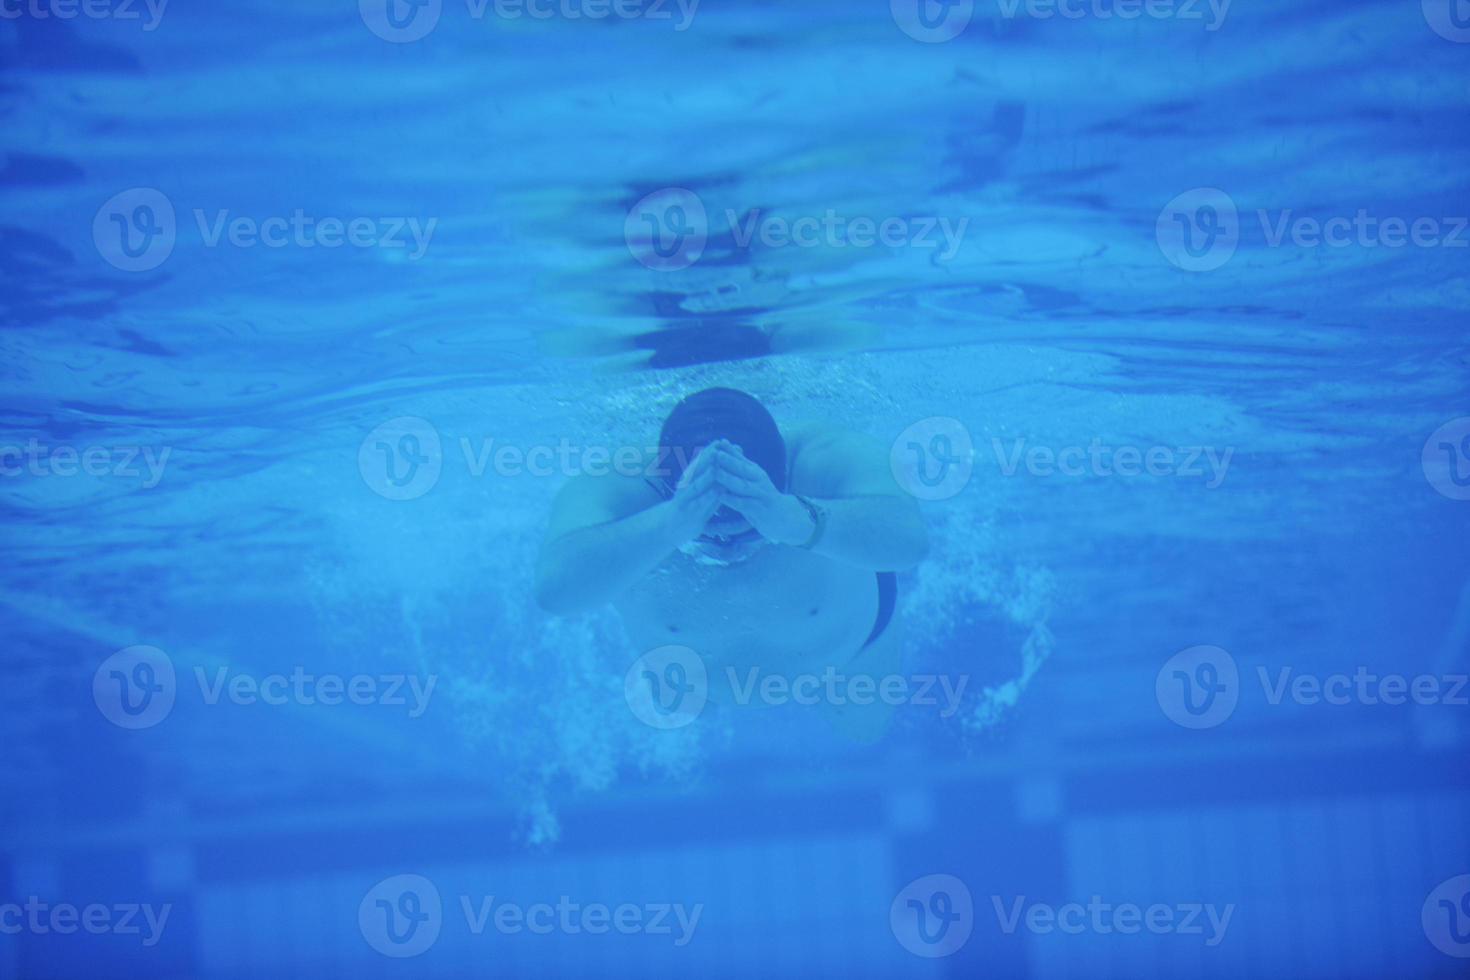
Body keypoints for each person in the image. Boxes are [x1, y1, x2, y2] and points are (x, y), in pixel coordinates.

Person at [535, 387, 929, 740]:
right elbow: (555, 591)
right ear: (662, 483)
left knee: (864, 734)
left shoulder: (822, 456)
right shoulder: (622, 485)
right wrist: (670, 525)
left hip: (847, 657)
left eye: (749, 531)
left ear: (785, 476)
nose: (728, 550)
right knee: (670, 723)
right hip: (693, 679)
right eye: (704, 534)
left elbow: (909, 539)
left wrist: (796, 520)